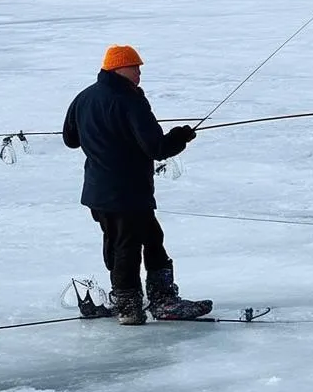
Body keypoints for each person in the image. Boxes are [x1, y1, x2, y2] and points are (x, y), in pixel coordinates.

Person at [63, 44, 213, 325]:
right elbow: (156, 147)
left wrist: (103, 136)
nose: (139, 73)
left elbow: (70, 140)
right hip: (128, 192)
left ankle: (140, 299)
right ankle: (135, 306)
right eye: (135, 67)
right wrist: (181, 136)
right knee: (132, 246)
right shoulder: (130, 100)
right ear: (119, 68)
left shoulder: (83, 98)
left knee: (131, 242)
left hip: (98, 190)